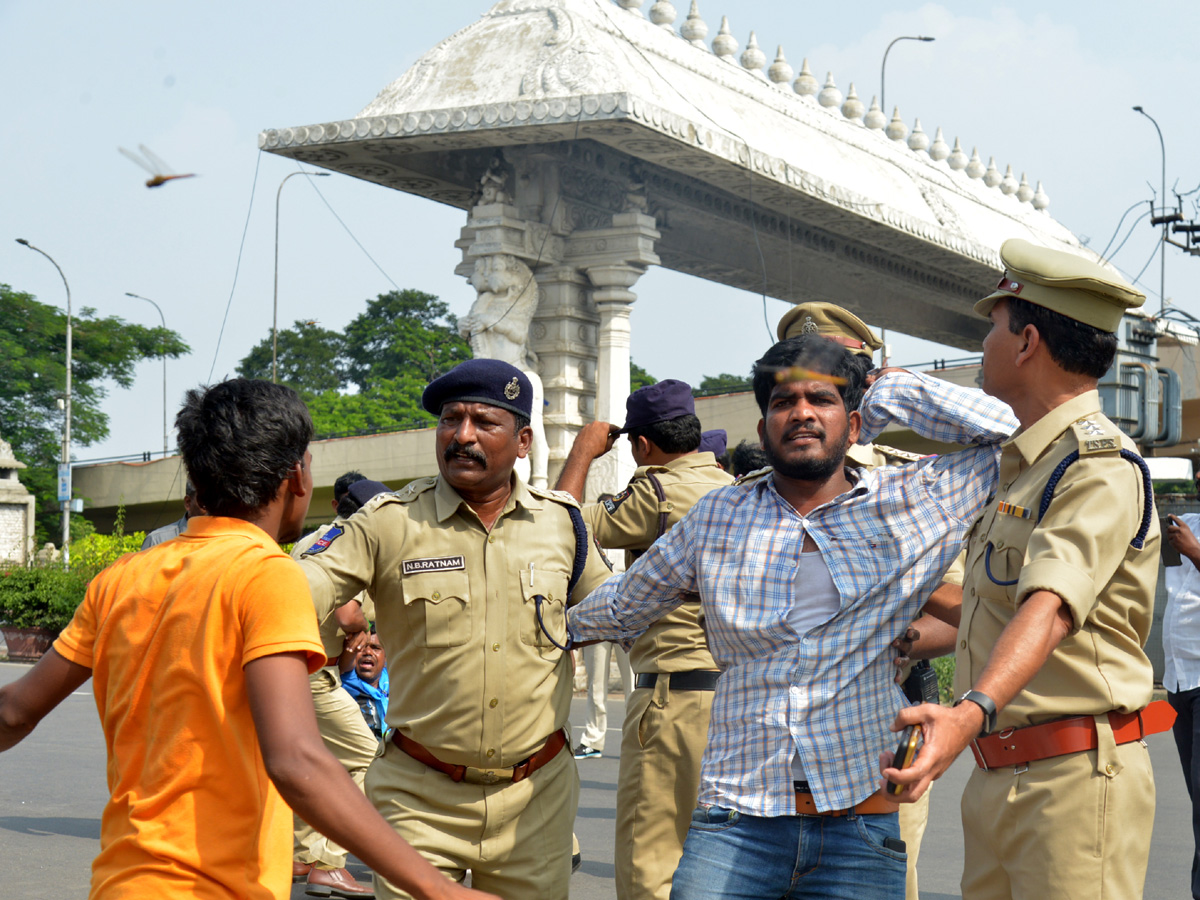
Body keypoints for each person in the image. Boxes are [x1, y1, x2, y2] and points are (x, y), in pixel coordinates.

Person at [0, 378, 490, 900]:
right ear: (297, 477)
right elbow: (296, 759)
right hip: (214, 886)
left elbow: (13, 712)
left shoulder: (122, 577)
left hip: (123, 879)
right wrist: (437, 888)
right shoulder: (266, 574)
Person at [568, 334, 1016, 900]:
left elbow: (1016, 436)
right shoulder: (718, 517)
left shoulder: (914, 501)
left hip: (860, 820)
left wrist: (889, 388)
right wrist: (550, 631)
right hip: (736, 823)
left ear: (854, 427)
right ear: (763, 430)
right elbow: (622, 604)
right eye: (783, 403)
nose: (801, 412)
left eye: (821, 400)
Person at [884, 239, 1170, 900]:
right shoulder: (1028, 466)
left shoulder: (1096, 467)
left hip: (1071, 780)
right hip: (1001, 773)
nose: (983, 344)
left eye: (992, 326)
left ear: (1027, 342)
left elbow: (1048, 608)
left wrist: (972, 708)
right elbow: (994, 611)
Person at [297, 358, 613, 900]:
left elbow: (614, 609)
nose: (462, 436)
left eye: (483, 423)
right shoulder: (389, 521)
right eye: (451, 420)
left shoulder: (563, 523)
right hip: (418, 798)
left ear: (522, 441)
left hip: (536, 801)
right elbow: (299, 588)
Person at [780, 299, 959, 900]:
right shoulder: (759, 488)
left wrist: (886, 631)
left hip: (892, 720)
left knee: (884, 878)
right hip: (776, 732)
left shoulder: (919, 484)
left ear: (868, 382)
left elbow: (969, 611)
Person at [555, 378, 734, 900]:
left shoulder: (655, 493)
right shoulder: (738, 490)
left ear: (643, 445)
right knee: (725, 858)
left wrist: (583, 453)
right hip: (738, 697)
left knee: (649, 860)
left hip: (672, 696)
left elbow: (562, 524)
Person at [292, 474, 393, 897]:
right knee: (372, 759)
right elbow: (348, 613)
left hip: (296, 668)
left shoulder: (313, 539)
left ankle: (304, 852)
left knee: (320, 763)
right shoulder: (351, 542)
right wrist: (362, 627)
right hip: (316, 674)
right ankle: (329, 862)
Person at [573, 493, 632, 762]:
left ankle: (635, 740)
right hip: (597, 616)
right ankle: (592, 740)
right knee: (596, 685)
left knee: (633, 684)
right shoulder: (585, 543)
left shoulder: (630, 538)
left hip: (625, 618)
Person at [1165, 512, 1200, 900]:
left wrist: (1195, 553)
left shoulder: (1188, 539)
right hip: (1179, 680)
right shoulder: (1183, 522)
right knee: (1197, 798)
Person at [342, 628, 390, 742]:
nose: (368, 652)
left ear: (386, 659)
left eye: (375, 648)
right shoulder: (346, 680)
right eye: (361, 647)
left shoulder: (396, 682)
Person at [140, 479, 203, 548]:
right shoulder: (157, 541)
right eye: (204, 502)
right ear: (188, 502)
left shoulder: (216, 543)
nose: (212, 509)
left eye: (215, 502)